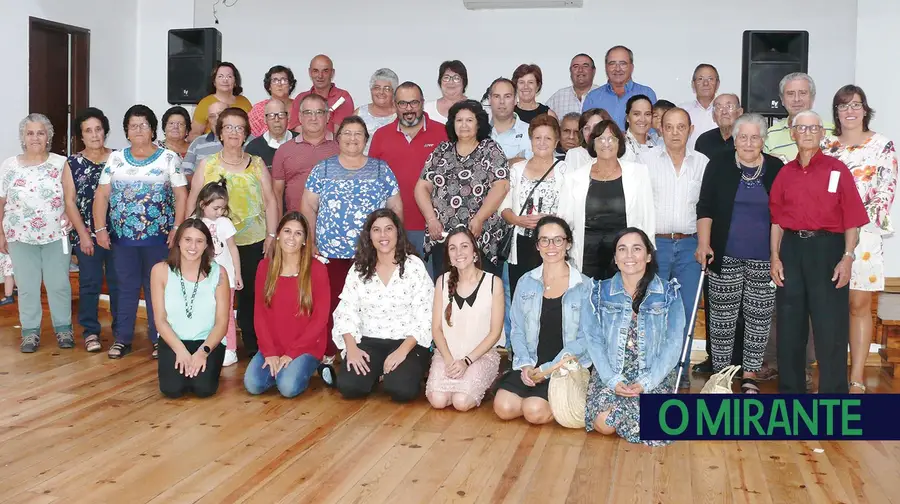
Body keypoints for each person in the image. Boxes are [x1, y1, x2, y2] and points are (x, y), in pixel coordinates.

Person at [769, 110, 869, 394]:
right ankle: (790, 395)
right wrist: (775, 257)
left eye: (814, 128)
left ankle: (833, 396)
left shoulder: (838, 170)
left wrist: (847, 257)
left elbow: (852, 219)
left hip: (828, 251)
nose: (808, 133)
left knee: (830, 329)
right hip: (792, 250)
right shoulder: (784, 173)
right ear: (792, 133)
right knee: (789, 327)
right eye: (802, 128)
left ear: (822, 134)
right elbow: (776, 220)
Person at [558, 228, 685, 445]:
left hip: (653, 372)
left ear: (648, 256)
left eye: (637, 249)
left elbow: (673, 344)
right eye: (622, 249)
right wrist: (613, 380)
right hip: (611, 371)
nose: (629, 256)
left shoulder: (668, 293)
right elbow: (594, 341)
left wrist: (647, 382)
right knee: (604, 423)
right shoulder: (598, 292)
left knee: (656, 426)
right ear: (615, 258)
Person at [301, 116, 403, 366]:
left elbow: (395, 207)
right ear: (337, 139)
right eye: (347, 133)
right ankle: (328, 352)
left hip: (371, 253)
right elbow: (308, 206)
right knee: (331, 303)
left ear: (366, 140)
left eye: (358, 134)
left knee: (369, 303)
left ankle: (365, 351)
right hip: (330, 253)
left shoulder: (381, 169)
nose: (352, 138)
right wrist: (311, 240)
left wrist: (391, 245)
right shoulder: (323, 169)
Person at [696, 113, 784, 393]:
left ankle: (749, 376)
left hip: (763, 258)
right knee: (722, 319)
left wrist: (775, 255)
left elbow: (781, 216)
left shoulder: (775, 167)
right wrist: (704, 244)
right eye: (742, 137)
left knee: (758, 320)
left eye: (754, 137)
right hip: (724, 255)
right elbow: (705, 207)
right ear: (734, 140)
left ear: (763, 140)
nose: (748, 142)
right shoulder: (719, 165)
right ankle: (721, 377)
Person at [94, 105, 188, 359]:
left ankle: (160, 339)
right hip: (122, 240)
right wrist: (100, 228)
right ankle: (122, 338)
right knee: (125, 287)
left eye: (144, 125)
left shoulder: (168, 158)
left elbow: (181, 195)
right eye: (133, 125)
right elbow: (102, 195)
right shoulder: (115, 159)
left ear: (152, 129)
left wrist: (178, 229)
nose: (138, 130)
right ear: (126, 130)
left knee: (157, 288)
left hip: (160, 238)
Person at [822, 85, 898, 393]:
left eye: (856, 105)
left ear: (865, 109)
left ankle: (856, 377)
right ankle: (831, 376)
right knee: (829, 306)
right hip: (828, 234)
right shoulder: (827, 146)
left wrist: (856, 221)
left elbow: (886, 192)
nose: (850, 111)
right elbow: (821, 191)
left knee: (858, 303)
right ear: (836, 113)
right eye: (843, 106)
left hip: (865, 235)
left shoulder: (882, 145)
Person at [187, 107, 279, 358]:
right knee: (211, 293)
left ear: (247, 133)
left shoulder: (257, 164)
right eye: (229, 127)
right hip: (213, 244)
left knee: (250, 293)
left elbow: (271, 201)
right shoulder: (208, 164)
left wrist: (272, 236)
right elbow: (193, 200)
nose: (234, 133)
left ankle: (251, 343)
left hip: (252, 240)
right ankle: (213, 342)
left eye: (240, 128)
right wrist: (186, 235)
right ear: (219, 133)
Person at [493, 216, 590, 424]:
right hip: (531, 363)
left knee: (534, 411)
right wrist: (526, 364)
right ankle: (544, 400)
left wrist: (548, 370)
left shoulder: (584, 286)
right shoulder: (526, 281)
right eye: (544, 240)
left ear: (568, 244)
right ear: (537, 245)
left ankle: (563, 402)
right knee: (503, 408)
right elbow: (517, 330)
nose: (551, 246)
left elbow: (585, 339)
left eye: (558, 240)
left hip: (563, 367)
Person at [332, 209, 434, 402]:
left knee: (401, 389)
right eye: (377, 230)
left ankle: (395, 372)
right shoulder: (359, 268)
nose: (383, 235)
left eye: (389, 229)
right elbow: (346, 310)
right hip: (370, 340)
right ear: (369, 235)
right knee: (349, 386)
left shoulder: (414, 266)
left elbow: (426, 315)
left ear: (398, 232)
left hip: (407, 341)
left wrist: (402, 351)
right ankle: (378, 371)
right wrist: (351, 348)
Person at [642, 107, 708, 383]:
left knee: (686, 309)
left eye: (681, 127)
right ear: (660, 129)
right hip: (656, 245)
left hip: (690, 245)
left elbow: (707, 207)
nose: (675, 132)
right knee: (654, 307)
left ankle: (679, 369)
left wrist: (704, 244)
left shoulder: (702, 163)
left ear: (690, 129)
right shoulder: (645, 160)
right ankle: (655, 370)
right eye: (669, 127)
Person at [0, 113, 73, 353]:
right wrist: (0, 233)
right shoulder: (9, 165)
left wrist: (69, 217)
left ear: (48, 136)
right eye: (30, 133)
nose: (35, 137)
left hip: (55, 235)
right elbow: (1, 202)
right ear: (23, 136)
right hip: (19, 235)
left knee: (58, 284)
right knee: (28, 286)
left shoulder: (60, 163)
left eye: (40, 133)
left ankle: (63, 329)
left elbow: (70, 199)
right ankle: (30, 332)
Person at [415, 100, 510, 276]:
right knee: (447, 293)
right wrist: (431, 219)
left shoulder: (491, 149)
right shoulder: (441, 150)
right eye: (459, 120)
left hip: (479, 236)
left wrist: (480, 218)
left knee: (480, 294)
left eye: (469, 120)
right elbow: (421, 187)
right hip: (443, 237)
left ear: (479, 124)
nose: (464, 125)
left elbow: (501, 186)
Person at [244, 212, 331, 397]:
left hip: (305, 346)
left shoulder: (317, 269)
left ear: (305, 240)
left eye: (298, 233)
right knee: (253, 384)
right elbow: (260, 314)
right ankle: (283, 370)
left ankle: (308, 366)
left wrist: (292, 353)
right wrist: (269, 351)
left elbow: (320, 318)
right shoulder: (264, 267)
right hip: (274, 345)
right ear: (278, 234)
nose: (291, 237)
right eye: (287, 231)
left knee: (287, 387)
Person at [560, 120, 655, 280]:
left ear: (620, 143)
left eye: (611, 139)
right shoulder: (574, 177)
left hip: (626, 254)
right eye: (601, 139)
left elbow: (648, 218)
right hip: (586, 254)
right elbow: (565, 221)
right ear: (593, 144)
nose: (606, 144)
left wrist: (647, 252)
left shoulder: (638, 173)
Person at [369, 81, 448, 265]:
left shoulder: (443, 133)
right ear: (395, 105)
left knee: (433, 286)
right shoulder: (381, 136)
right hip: (393, 230)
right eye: (402, 103)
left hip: (434, 228)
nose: (409, 109)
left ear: (422, 103)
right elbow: (374, 184)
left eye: (414, 103)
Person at [151, 219, 230, 398]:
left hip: (207, 343)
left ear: (206, 245)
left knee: (204, 389)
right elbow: (160, 319)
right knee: (172, 390)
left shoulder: (220, 273)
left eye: (199, 241)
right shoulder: (160, 271)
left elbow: (222, 322)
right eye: (187, 240)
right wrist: (180, 350)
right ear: (178, 241)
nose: (192, 246)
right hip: (174, 340)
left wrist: (203, 352)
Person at [426, 227, 503, 411]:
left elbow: (495, 333)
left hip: (479, 357)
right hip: (448, 355)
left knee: (461, 402)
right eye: (452, 248)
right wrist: (448, 359)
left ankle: (487, 382)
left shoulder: (493, 283)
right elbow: (436, 328)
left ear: (475, 252)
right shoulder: (442, 282)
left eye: (464, 246)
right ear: (448, 255)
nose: (458, 253)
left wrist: (467, 361)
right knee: (438, 400)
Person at [63, 107, 118, 353]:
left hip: (119, 233)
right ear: (81, 136)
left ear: (105, 130)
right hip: (86, 234)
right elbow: (69, 201)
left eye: (98, 129)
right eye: (88, 130)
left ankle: (121, 330)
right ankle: (90, 332)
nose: (95, 135)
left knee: (119, 282)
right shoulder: (72, 163)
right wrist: (84, 235)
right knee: (89, 282)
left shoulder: (119, 158)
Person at [501, 114, 567, 296]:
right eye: (537, 138)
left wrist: (549, 222)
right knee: (521, 296)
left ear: (556, 142)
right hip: (522, 242)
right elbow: (503, 206)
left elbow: (570, 209)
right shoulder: (516, 169)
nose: (542, 142)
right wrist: (517, 220)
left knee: (550, 296)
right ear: (530, 140)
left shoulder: (566, 171)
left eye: (548, 138)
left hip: (553, 244)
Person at [193, 179, 242, 367]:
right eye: (215, 208)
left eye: (222, 208)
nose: (219, 212)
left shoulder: (225, 223)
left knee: (226, 312)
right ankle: (207, 345)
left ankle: (230, 349)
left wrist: (237, 273)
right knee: (206, 312)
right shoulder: (196, 222)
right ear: (202, 204)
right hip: (203, 278)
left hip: (225, 277)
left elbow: (233, 248)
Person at [272, 94, 340, 215]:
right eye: (308, 112)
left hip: (334, 225)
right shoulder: (284, 151)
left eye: (319, 112)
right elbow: (276, 194)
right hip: (297, 226)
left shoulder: (341, 147)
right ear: (300, 116)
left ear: (328, 116)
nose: (313, 118)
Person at [764, 72, 834, 163]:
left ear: (812, 97)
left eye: (803, 93)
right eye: (790, 94)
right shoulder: (770, 135)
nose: (796, 99)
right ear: (782, 99)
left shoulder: (832, 132)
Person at [582, 45, 657, 130]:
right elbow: (585, 133)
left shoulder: (647, 94)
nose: (617, 69)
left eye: (623, 64)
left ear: (631, 67)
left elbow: (653, 131)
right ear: (606, 68)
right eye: (612, 64)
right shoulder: (593, 97)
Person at [287, 54, 355, 133]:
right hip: (304, 145)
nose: (320, 76)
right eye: (315, 71)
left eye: (325, 71)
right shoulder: (300, 98)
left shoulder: (342, 97)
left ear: (332, 73)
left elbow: (339, 134)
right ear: (310, 72)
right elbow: (298, 132)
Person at [189, 62, 252, 140]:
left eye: (229, 76)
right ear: (214, 82)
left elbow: (250, 129)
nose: (225, 80)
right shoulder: (205, 103)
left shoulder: (244, 102)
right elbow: (195, 133)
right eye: (220, 76)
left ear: (235, 82)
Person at [354, 68, 398, 154]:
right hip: (363, 165)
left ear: (394, 92)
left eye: (387, 88)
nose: (381, 92)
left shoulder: (400, 114)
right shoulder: (359, 113)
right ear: (371, 90)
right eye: (377, 88)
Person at [181, 101, 227, 180]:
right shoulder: (198, 142)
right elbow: (185, 174)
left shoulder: (245, 140)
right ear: (208, 120)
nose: (216, 119)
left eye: (220, 114)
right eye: (212, 116)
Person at [248, 65, 297, 138]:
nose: (279, 84)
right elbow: (250, 138)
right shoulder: (258, 110)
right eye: (275, 81)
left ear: (290, 85)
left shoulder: (299, 108)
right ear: (269, 86)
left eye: (284, 80)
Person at [545, 54, 599, 119]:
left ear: (594, 71)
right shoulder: (558, 98)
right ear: (570, 71)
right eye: (575, 66)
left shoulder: (603, 96)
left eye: (585, 66)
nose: (580, 70)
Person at [679, 63, 720, 149]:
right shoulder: (682, 111)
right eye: (700, 79)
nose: (705, 83)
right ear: (693, 85)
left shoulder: (725, 112)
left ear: (717, 84)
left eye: (710, 79)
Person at [245, 99, 293, 170]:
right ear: (265, 119)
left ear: (288, 117)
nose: (277, 120)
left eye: (281, 115)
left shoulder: (301, 141)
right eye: (271, 115)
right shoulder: (253, 148)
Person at [694, 94, 743, 160]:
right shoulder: (704, 141)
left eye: (729, 106)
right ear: (713, 116)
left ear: (740, 113)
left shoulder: (748, 139)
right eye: (718, 108)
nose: (724, 112)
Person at [621, 94, 659, 162]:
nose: (642, 119)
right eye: (636, 114)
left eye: (647, 114)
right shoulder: (620, 146)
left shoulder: (656, 142)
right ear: (627, 118)